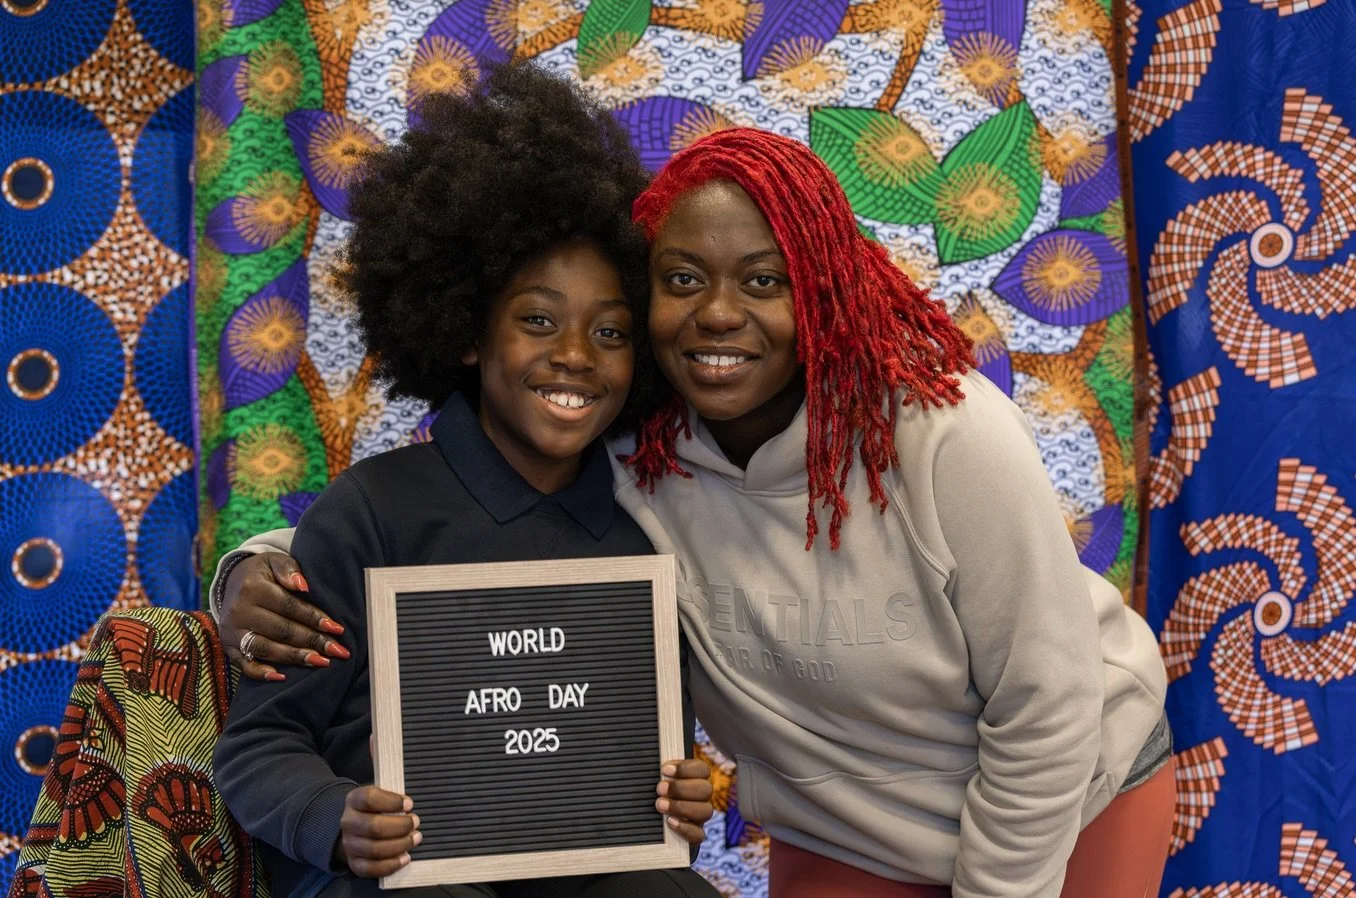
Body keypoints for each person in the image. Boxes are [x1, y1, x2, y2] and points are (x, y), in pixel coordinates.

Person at [213, 128, 1174, 898]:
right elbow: (416, 533)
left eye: (764, 281)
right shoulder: (642, 458)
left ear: (825, 295)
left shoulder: (943, 434)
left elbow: (1044, 708)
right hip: (846, 829)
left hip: (1066, 788)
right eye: (681, 283)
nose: (718, 315)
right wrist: (249, 572)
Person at [211, 62, 719, 898]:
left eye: (612, 332)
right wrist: (336, 817)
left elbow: (636, 758)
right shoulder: (370, 514)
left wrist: (679, 794)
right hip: (384, 876)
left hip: (571, 867)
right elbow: (261, 746)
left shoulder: (642, 535)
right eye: (537, 320)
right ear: (468, 333)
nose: (575, 357)